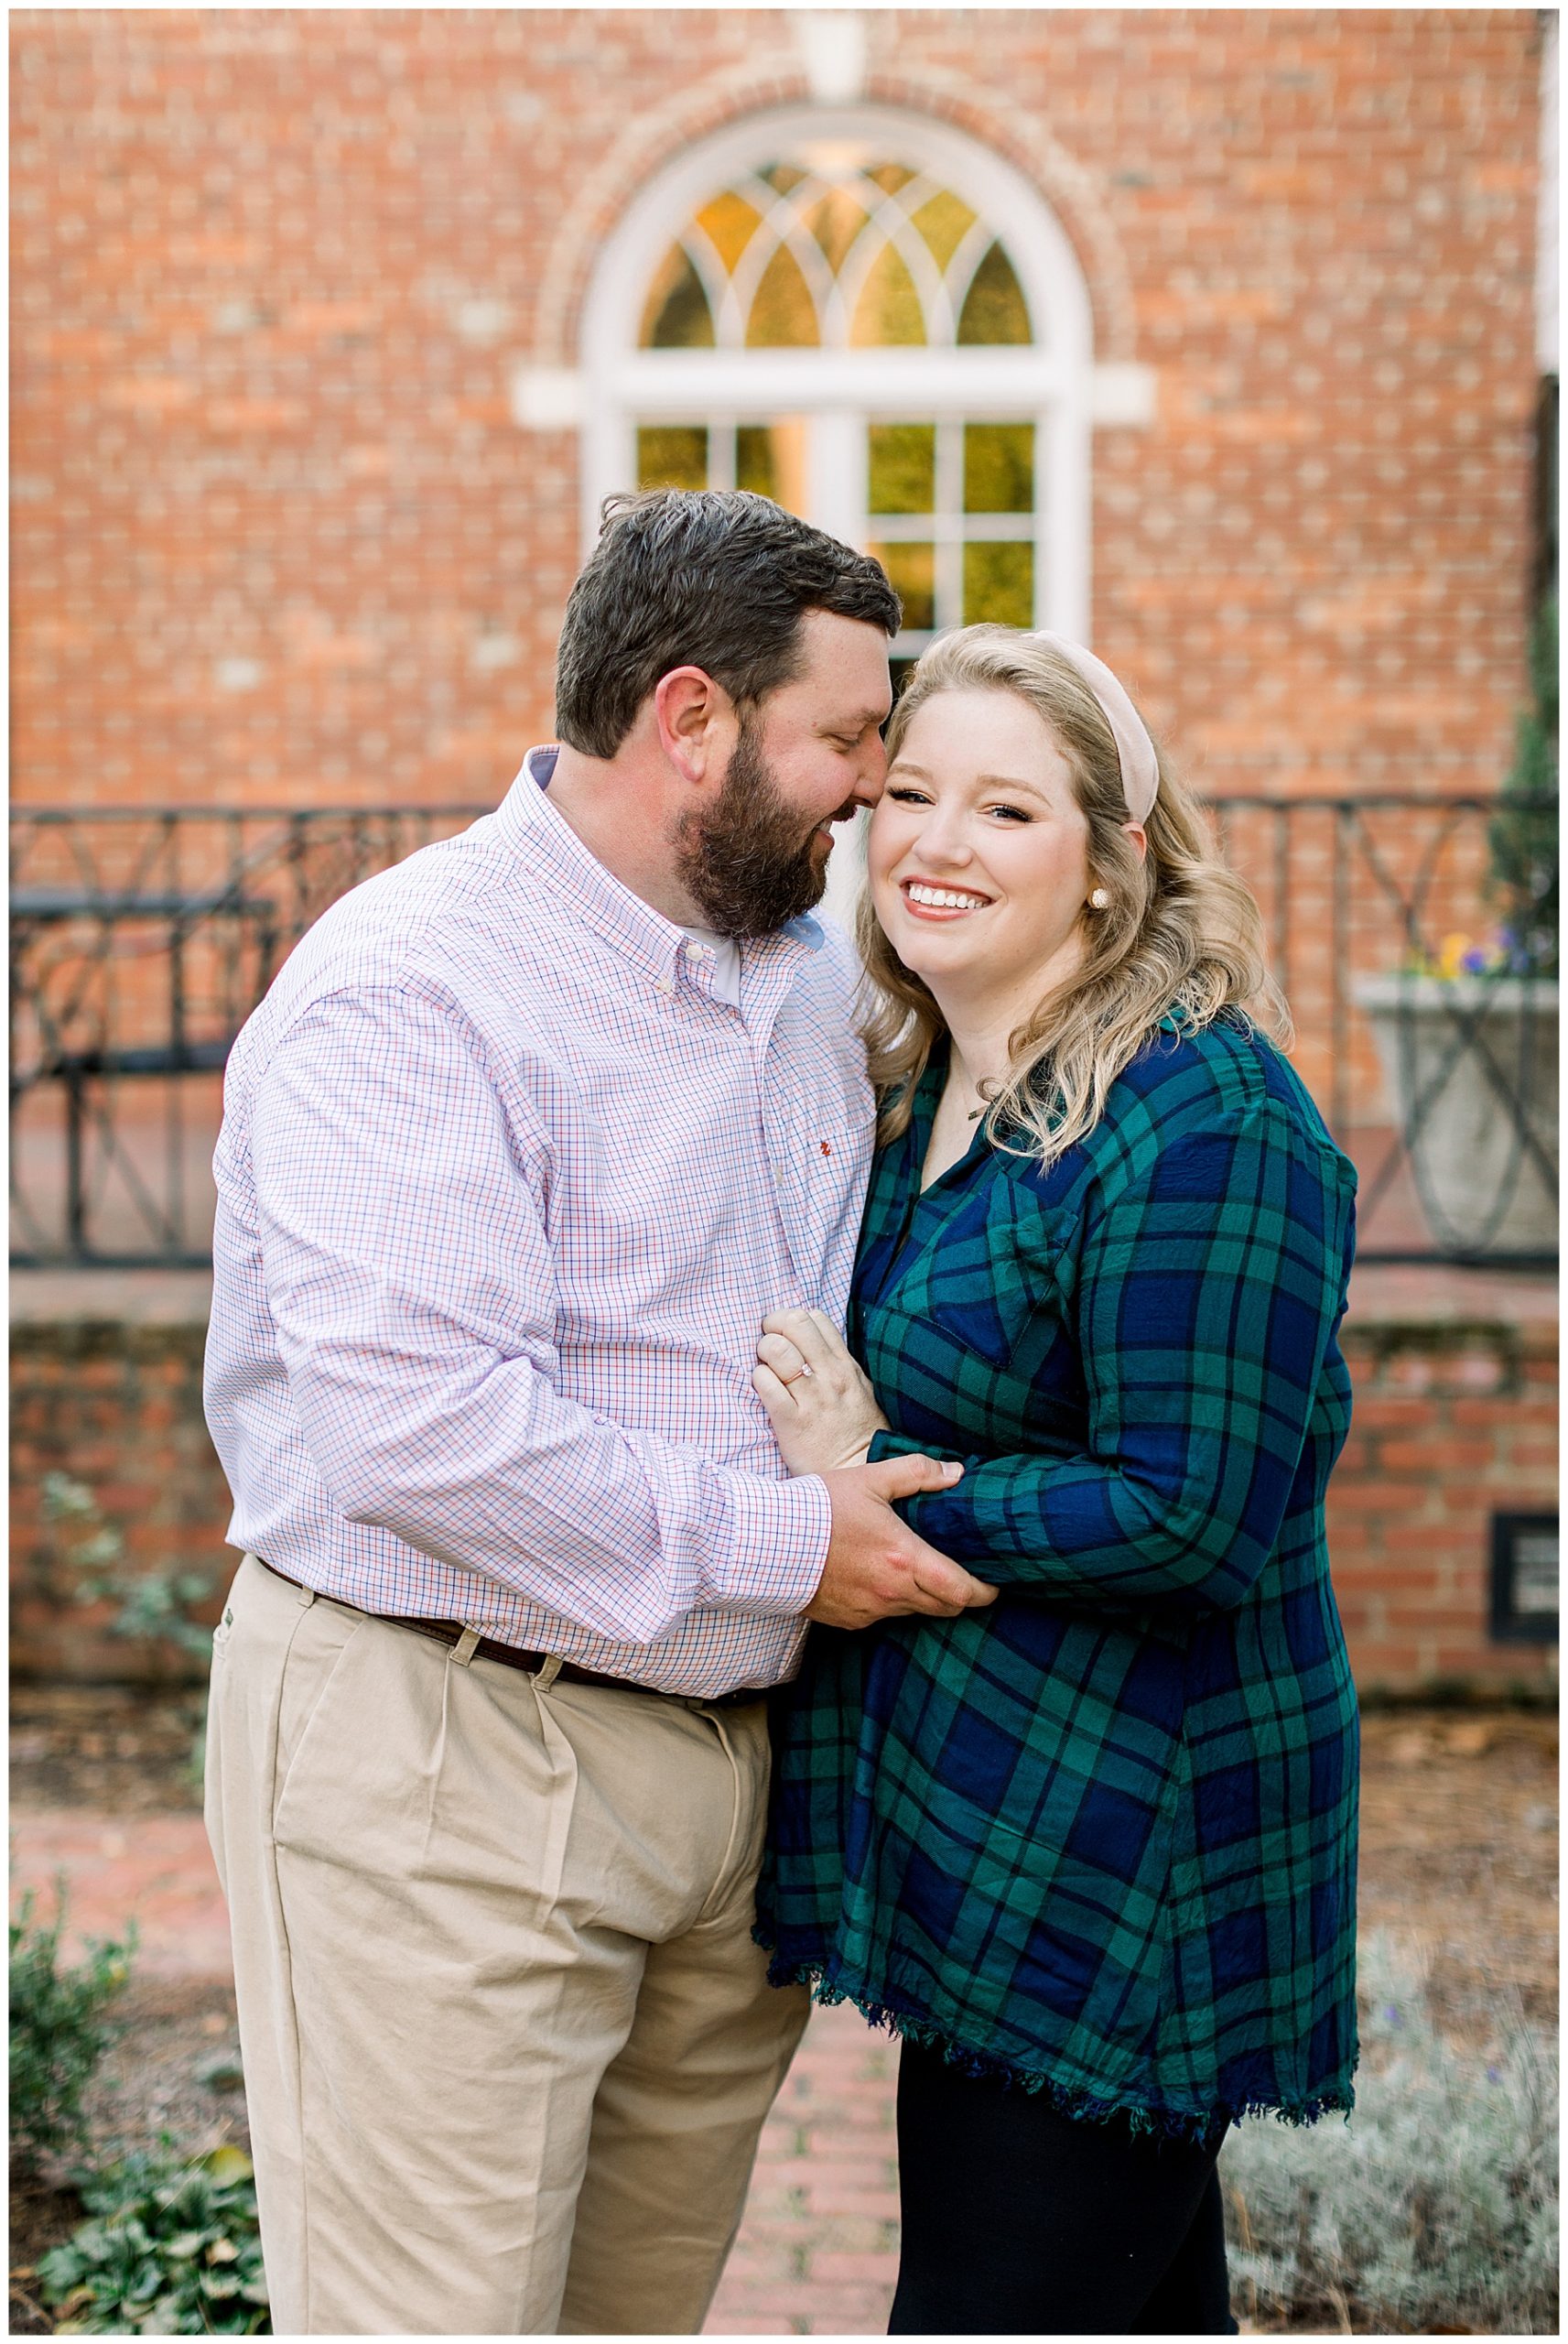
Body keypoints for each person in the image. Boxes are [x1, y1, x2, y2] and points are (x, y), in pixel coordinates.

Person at [200, 489, 998, 2339]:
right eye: (848, 737)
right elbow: (425, 1425)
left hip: (727, 1798)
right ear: (694, 720)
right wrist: (802, 1543)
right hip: (444, 1748)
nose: (872, 785)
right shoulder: (409, 985)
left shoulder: (800, 975)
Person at [752, 625, 1360, 2337]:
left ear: (1111, 866)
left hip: (1134, 1854)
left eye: (1004, 810)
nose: (933, 844)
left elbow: (1193, 1509)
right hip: (995, 1818)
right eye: (912, 795)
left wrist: (867, 1484)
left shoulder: (1200, 1112)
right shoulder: (923, 1086)